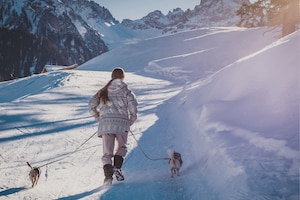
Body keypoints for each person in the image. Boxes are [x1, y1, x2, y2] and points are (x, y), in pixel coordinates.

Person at [89, 67, 138, 185]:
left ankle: (108, 178)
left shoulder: (103, 91)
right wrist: (130, 120)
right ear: (123, 77)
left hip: (106, 125)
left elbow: (91, 105)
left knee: (107, 152)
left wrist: (98, 117)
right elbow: (133, 107)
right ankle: (117, 167)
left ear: (112, 77)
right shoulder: (126, 91)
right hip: (122, 124)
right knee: (122, 148)